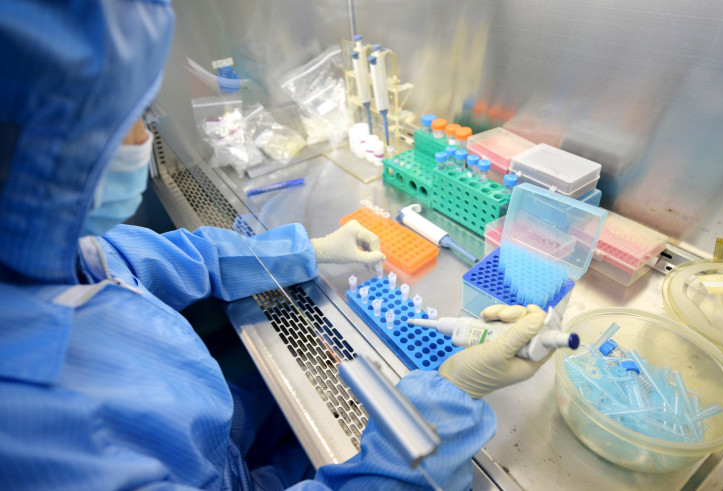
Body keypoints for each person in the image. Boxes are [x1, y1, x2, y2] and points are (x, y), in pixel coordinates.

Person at [0, 1, 550, 489]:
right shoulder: (38, 442)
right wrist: (442, 408)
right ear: (45, 152)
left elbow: (180, 258)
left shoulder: (46, 255)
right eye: (132, 118)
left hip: (210, 435)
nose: (145, 139)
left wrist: (308, 251)